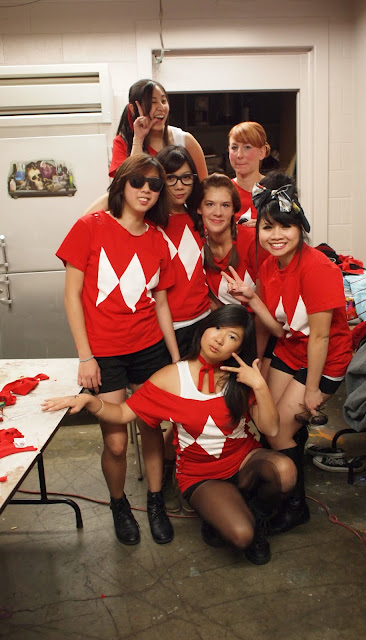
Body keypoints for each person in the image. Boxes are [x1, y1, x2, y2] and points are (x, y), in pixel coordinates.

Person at [42, 305, 297, 565]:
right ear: (204, 329)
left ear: (239, 349)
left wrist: (259, 385)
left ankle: (256, 520)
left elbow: (271, 429)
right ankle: (224, 516)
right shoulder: (172, 376)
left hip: (243, 460)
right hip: (201, 474)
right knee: (242, 536)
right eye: (217, 328)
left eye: (232, 336)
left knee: (285, 471)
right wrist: (88, 401)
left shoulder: (241, 377)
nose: (219, 339)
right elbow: (122, 413)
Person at [56, 153, 180, 546]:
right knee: (115, 441)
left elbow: (161, 304)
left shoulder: (158, 239)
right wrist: (85, 356)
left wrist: (176, 359)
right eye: (137, 181)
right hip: (104, 354)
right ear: (122, 184)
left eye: (155, 184)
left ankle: (156, 502)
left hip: (149, 348)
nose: (146, 190)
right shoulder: (90, 227)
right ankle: (119, 504)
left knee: (152, 428)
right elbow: (72, 296)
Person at [222, 171, 353, 535]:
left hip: (324, 358)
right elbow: (280, 328)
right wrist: (251, 299)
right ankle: (288, 467)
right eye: (267, 227)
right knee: (266, 420)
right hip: (293, 347)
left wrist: (312, 391)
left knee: (278, 430)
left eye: (285, 226)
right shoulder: (269, 265)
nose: (276, 235)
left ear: (300, 228)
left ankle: (295, 507)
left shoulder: (318, 268)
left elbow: (321, 338)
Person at [154, 145, 212, 514]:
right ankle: (167, 471)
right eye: (170, 178)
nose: (179, 185)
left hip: (201, 322)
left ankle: (192, 473)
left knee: (198, 405)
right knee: (170, 409)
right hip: (163, 329)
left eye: (186, 177)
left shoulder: (199, 217)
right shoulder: (150, 220)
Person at [195, 173, 268, 312]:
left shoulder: (253, 241)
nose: (218, 212)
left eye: (225, 205)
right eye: (210, 204)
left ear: (234, 209)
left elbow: (267, 304)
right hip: (225, 321)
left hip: (260, 321)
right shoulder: (197, 242)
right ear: (199, 208)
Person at [109, 79, 208, 181]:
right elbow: (129, 184)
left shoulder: (185, 140)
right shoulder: (123, 142)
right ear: (133, 109)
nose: (161, 107)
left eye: (163, 101)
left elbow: (205, 186)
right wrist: (138, 139)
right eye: (153, 102)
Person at [228, 121, 271, 226]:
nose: (239, 155)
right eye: (234, 147)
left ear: (262, 152)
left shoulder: (276, 192)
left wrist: (267, 227)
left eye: (247, 147)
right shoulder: (222, 191)